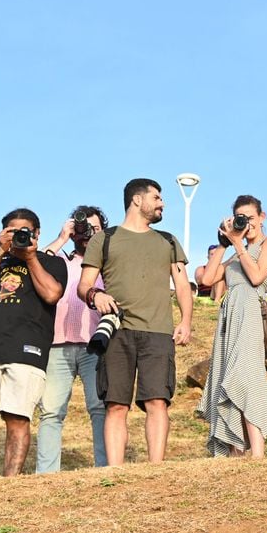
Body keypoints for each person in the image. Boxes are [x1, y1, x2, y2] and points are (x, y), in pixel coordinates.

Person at [78, 178, 194, 465]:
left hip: (158, 332)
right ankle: (115, 472)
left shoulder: (167, 241)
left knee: (157, 401)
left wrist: (186, 321)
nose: (162, 203)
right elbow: (84, 285)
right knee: (116, 404)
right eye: (157, 197)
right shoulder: (104, 238)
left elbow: (181, 285)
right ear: (137, 200)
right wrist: (96, 295)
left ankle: (156, 468)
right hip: (117, 331)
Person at [0, 208, 66, 477]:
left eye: (25, 231)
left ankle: (10, 482)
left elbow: (52, 294)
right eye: (12, 231)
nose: (19, 235)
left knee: (18, 418)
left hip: (27, 349)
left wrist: (30, 257)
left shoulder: (50, 262)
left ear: (37, 234)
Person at [196, 195, 267, 457]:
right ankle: (236, 449)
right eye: (241, 218)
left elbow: (257, 277)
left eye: (251, 218)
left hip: (250, 313)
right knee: (225, 377)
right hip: (228, 317)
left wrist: (239, 245)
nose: (248, 224)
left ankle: (257, 451)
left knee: (245, 376)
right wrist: (224, 243)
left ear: (262, 217)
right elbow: (208, 279)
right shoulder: (234, 252)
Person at [36, 205, 110, 473]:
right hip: (57, 344)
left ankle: (105, 469)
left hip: (96, 343)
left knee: (99, 408)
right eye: (84, 228)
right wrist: (62, 237)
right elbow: (37, 264)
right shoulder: (60, 261)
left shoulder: (109, 264)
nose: (89, 233)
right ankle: (46, 475)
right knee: (51, 412)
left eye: (96, 228)